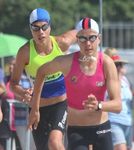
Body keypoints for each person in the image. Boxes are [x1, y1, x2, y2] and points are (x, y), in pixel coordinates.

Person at [28, 17, 122, 150]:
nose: (88, 43)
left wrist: (99, 105)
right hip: (77, 130)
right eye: (83, 38)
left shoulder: (107, 63)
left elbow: (118, 105)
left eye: (92, 38)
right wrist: (35, 107)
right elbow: (41, 72)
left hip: (102, 129)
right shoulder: (66, 62)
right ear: (77, 40)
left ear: (99, 38)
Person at [10, 7, 77, 150]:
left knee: (55, 142)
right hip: (37, 108)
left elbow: (79, 31)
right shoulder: (25, 52)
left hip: (60, 104)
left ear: (50, 27)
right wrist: (23, 93)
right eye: (36, 28)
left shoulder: (61, 43)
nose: (40, 32)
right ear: (30, 29)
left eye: (44, 27)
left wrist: (90, 33)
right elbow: (13, 84)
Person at [104, 48, 133, 150]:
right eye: (117, 65)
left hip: (128, 122)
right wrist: (117, 78)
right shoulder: (106, 81)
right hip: (114, 121)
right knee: (121, 148)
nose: (120, 67)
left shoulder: (125, 80)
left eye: (121, 65)